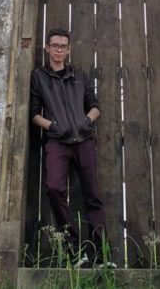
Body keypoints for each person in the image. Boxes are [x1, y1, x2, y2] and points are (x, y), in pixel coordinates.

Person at [30, 27, 107, 262]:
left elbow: (95, 106)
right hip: (57, 142)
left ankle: (102, 255)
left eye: (63, 46)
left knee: (92, 195)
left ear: (68, 49)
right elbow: (34, 114)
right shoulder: (39, 77)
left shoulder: (79, 75)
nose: (59, 50)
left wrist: (86, 121)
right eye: (55, 46)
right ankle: (73, 249)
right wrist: (53, 126)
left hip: (83, 141)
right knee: (54, 188)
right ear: (47, 48)